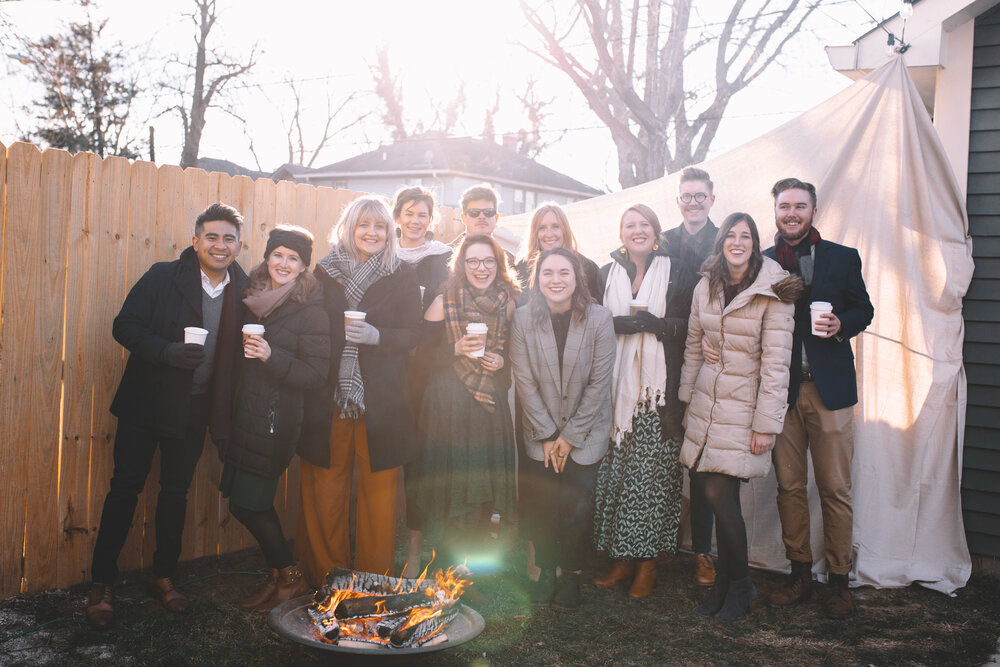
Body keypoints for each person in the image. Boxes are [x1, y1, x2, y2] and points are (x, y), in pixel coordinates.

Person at [86, 203, 249, 629]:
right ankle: (102, 582)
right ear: (196, 241)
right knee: (124, 489)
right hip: (146, 402)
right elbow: (125, 325)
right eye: (211, 236)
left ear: (238, 245)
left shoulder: (243, 289)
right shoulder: (163, 276)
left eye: (228, 238)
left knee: (175, 493)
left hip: (195, 409)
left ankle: (164, 575)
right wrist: (166, 351)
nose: (220, 245)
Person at [679, 212, 800, 622]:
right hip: (707, 406)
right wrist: (684, 400)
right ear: (722, 243)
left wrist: (767, 424)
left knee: (718, 496)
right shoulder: (706, 285)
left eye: (745, 236)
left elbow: (777, 363)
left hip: (744, 409)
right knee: (719, 496)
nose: (737, 242)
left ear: (755, 242)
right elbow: (695, 345)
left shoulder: (774, 290)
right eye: (730, 235)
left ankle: (741, 585)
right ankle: (726, 586)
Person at [761, 178, 873, 619]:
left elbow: (863, 309)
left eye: (799, 206)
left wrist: (841, 324)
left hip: (830, 390)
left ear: (813, 210)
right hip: (781, 393)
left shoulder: (842, 258)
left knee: (835, 488)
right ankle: (799, 574)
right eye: (784, 205)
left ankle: (840, 582)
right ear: (775, 210)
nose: (792, 213)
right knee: (788, 487)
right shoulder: (764, 264)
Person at [295, 195, 422, 584]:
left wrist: (377, 335)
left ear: (389, 232)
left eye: (380, 227)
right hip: (328, 396)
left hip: (379, 400)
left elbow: (414, 333)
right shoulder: (323, 272)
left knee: (378, 497)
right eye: (364, 225)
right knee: (325, 491)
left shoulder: (401, 274)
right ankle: (326, 578)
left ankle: (372, 579)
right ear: (349, 228)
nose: (372, 233)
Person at [220, 226, 330, 612]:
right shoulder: (251, 295)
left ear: (303, 267)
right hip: (242, 415)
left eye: (293, 258)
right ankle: (277, 576)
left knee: (250, 503)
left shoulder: (310, 312)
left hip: (273, 421)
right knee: (239, 502)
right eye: (278, 255)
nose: (284, 264)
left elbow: (316, 375)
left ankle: (291, 577)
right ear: (268, 257)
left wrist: (272, 356)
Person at [510, 248, 616, 611]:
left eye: (564, 273)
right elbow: (524, 380)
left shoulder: (600, 318)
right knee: (541, 507)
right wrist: (547, 435)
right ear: (537, 279)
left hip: (585, 436)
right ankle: (542, 571)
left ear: (577, 279)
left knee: (575, 509)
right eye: (548, 273)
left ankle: (571, 576)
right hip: (539, 434)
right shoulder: (523, 318)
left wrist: (568, 439)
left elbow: (600, 384)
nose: (556, 280)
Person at [410, 234, 519, 573]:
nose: (481, 268)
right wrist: (453, 350)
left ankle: (467, 571)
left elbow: (514, 356)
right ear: (461, 265)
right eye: (472, 261)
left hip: (488, 406)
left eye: (488, 261)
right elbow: (417, 356)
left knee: (485, 484)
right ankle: (444, 568)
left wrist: (501, 363)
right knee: (451, 484)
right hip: (448, 404)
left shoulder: (509, 303)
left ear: (498, 265)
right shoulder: (445, 300)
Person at [592, 204, 681, 599]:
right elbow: (590, 321)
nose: (637, 230)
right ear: (621, 233)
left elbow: (691, 324)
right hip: (614, 390)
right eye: (630, 225)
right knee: (617, 477)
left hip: (656, 393)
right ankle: (621, 558)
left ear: (656, 232)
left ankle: (647, 564)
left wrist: (659, 326)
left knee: (649, 480)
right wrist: (616, 324)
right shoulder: (604, 273)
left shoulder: (677, 271)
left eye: (645, 224)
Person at [660, 167, 721, 587]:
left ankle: (703, 551)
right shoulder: (661, 240)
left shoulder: (728, 240)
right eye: (686, 196)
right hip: (663, 362)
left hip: (709, 366)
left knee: (702, 467)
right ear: (678, 201)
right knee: (662, 459)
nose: (693, 202)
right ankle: (658, 547)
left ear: (711, 199)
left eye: (700, 196)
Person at [391, 185, 454, 577]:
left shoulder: (443, 258)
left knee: (425, 457)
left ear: (431, 220)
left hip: (429, 369)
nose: (416, 221)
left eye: (423, 215)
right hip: (388, 367)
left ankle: (421, 548)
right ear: (397, 215)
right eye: (409, 213)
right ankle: (383, 539)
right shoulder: (382, 253)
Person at [513, 202, 602, 301]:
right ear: (534, 233)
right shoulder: (521, 270)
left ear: (565, 230)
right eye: (542, 228)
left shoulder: (587, 268)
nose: (549, 234)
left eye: (555, 226)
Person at [448, 183, 516, 264]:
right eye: (474, 212)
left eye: (488, 212)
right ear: (463, 218)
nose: (481, 216)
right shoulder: (445, 256)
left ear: (496, 218)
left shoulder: (509, 260)